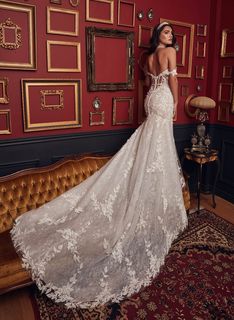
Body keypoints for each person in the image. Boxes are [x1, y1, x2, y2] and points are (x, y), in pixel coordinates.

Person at [11, 21, 188, 309]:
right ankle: (153, 209)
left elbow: (145, 86)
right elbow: (174, 82)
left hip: (151, 101)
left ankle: (149, 204)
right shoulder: (169, 54)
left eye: (171, 33)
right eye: (167, 32)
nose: (171, 36)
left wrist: (148, 108)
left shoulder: (147, 59)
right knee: (159, 151)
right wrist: (176, 107)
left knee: (149, 150)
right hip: (164, 99)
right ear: (159, 35)